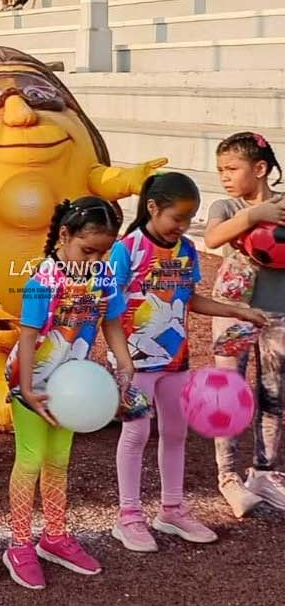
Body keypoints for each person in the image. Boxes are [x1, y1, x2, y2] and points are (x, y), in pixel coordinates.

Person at [108, 172, 268, 552]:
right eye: (177, 218)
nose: (182, 226)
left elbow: (190, 298)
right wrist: (122, 360)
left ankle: (172, 508)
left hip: (176, 361)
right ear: (152, 208)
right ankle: (128, 515)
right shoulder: (125, 249)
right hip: (137, 364)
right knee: (135, 434)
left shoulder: (185, 250)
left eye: (189, 218)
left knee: (176, 433)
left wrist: (237, 311)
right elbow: (109, 309)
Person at [2, 196, 135, 590]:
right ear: (65, 235)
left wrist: (123, 360)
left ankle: (55, 537)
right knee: (30, 459)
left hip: (72, 385)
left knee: (58, 460)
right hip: (33, 384)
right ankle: (19, 544)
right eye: (87, 249)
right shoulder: (43, 281)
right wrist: (26, 388)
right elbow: (27, 336)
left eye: (102, 252)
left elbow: (111, 321)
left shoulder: (103, 277)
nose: (94, 259)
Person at [205, 132, 285, 516]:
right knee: (229, 393)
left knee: (273, 395)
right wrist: (253, 216)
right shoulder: (226, 205)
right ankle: (228, 477)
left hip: (277, 315)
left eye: (232, 168)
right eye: (220, 169)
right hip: (231, 313)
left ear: (260, 169)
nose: (224, 175)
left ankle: (264, 473)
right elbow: (213, 238)